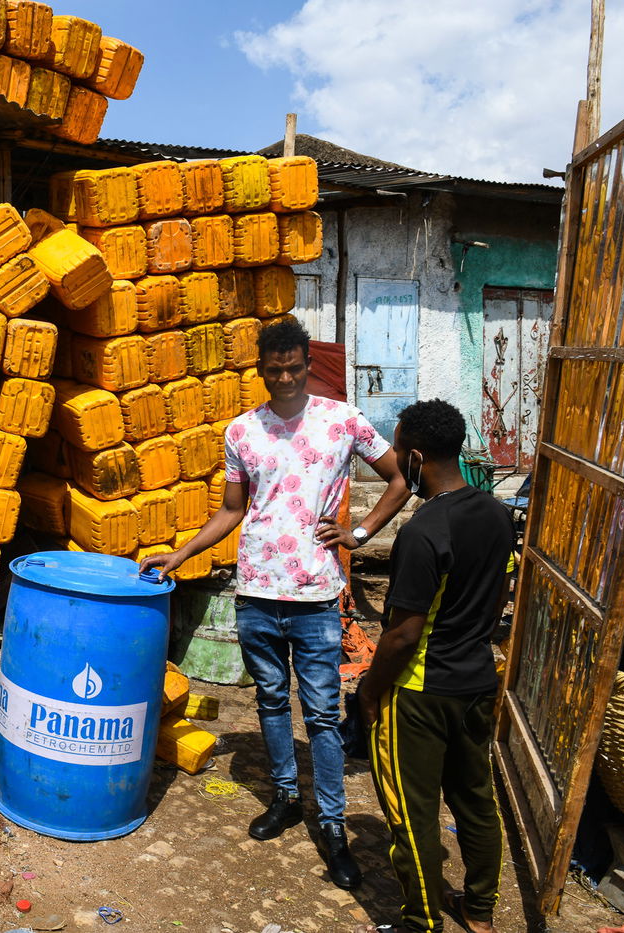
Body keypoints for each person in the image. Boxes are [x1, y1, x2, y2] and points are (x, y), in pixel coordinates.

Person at [141, 318, 409, 890]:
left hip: (315, 596)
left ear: (308, 365)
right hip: (257, 592)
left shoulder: (342, 421)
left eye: (294, 366)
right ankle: (286, 796)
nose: (285, 377)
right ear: (260, 369)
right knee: (269, 699)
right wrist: (180, 553)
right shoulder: (242, 432)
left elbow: (399, 479)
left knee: (319, 714)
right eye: (275, 367)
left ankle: (332, 825)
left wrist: (359, 534)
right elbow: (232, 510)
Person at [354, 400, 510, 933]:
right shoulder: (496, 513)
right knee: (475, 801)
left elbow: (402, 634)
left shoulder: (423, 532)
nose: (396, 460)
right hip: (476, 681)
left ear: (416, 455)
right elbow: (496, 602)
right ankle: (480, 910)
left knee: (412, 813)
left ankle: (421, 920)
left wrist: (371, 692)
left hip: (419, 692)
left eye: (398, 451)